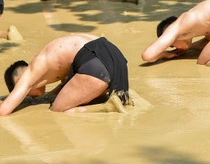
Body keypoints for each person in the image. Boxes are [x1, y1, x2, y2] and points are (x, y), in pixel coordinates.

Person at [1, 34, 130, 115]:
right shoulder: (47, 61)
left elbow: (3, 111)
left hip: (94, 62)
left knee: (57, 110)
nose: (28, 96)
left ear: (18, 81)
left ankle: (107, 107)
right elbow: (65, 87)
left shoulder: (29, 73)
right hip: (115, 58)